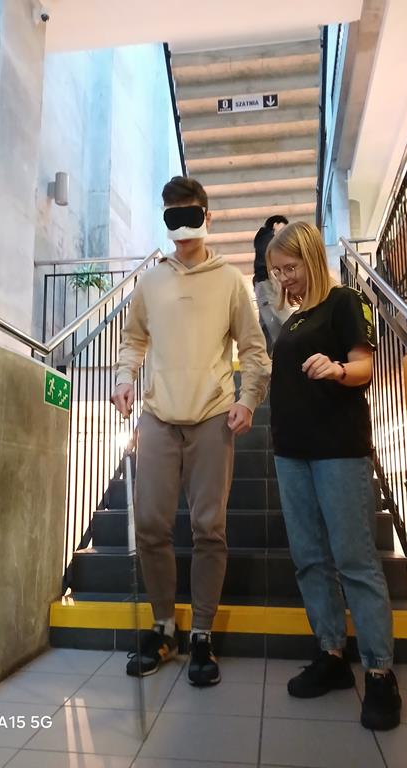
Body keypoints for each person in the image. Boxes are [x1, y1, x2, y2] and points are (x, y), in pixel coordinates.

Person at [111, 176, 270, 686]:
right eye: (172, 217)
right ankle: (164, 626)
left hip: (212, 418)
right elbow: (134, 339)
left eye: (189, 214)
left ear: (207, 217)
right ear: (166, 221)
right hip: (158, 417)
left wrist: (248, 400)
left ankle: (201, 632)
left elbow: (254, 349)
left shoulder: (230, 281)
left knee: (209, 529)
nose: (181, 226)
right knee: (149, 526)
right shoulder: (151, 282)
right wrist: (124, 378)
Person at [266, 221, 402, 731]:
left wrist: (338, 369)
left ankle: (380, 673)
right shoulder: (294, 320)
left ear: (311, 258)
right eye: (277, 272)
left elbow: (365, 367)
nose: (284, 279)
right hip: (291, 454)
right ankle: (331, 654)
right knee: (310, 560)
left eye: (290, 268)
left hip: (338, 451)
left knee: (355, 560)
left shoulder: (346, 301)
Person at [253, 215, 293, 352]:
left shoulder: (264, 237)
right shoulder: (267, 237)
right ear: (275, 224)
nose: (284, 232)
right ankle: (287, 352)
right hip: (267, 283)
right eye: (283, 227)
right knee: (280, 319)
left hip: (263, 283)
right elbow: (269, 259)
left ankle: (265, 357)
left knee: (266, 326)